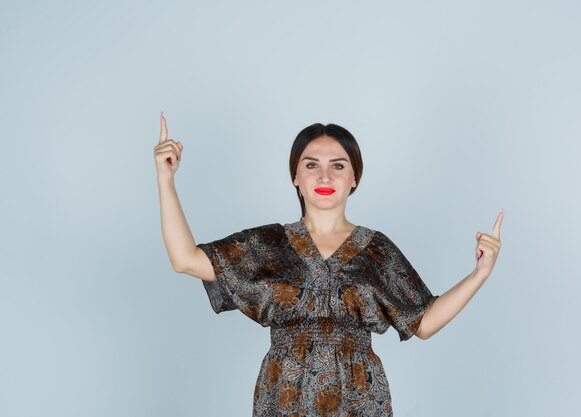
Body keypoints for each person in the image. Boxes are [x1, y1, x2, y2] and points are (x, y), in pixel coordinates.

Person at [154, 112, 504, 416]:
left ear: (354, 178)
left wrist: (479, 274)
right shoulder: (268, 244)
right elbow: (185, 259)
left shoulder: (376, 250)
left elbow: (423, 321)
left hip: (359, 397)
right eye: (311, 165)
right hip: (283, 395)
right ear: (295, 176)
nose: (325, 177)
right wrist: (165, 180)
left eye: (338, 166)